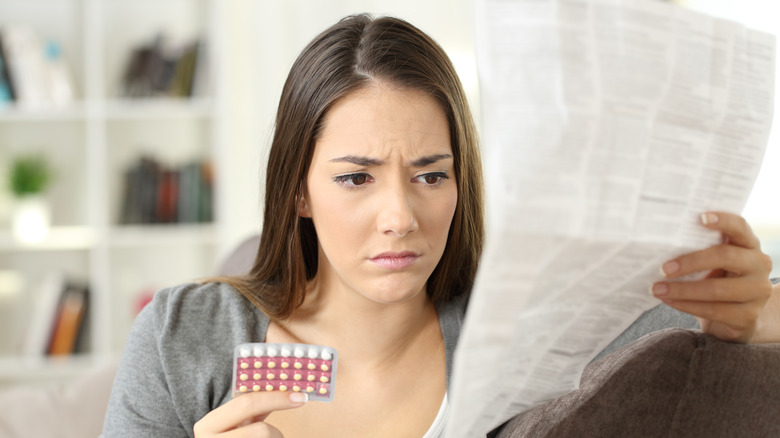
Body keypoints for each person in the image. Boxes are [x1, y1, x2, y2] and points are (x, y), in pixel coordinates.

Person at [101, 13, 779, 438]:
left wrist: (746, 312)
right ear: (298, 191)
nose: (400, 219)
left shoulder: (524, 330)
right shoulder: (182, 337)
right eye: (356, 178)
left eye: (430, 175)